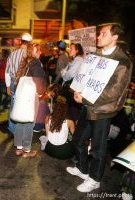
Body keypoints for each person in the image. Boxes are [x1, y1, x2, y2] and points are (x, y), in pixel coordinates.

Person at [66, 23, 133, 193]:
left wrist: (85, 98)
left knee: (98, 148)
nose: (98, 37)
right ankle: (82, 169)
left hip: (103, 110)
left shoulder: (123, 62)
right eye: (99, 34)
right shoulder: (95, 55)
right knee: (78, 139)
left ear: (114, 37)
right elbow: (86, 76)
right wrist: (77, 89)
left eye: (103, 34)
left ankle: (95, 179)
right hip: (87, 106)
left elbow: (113, 92)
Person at [13, 43, 47, 158]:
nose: (40, 53)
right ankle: (27, 151)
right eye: (38, 51)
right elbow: (38, 80)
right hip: (30, 97)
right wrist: (41, 92)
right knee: (29, 122)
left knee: (20, 122)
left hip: (21, 97)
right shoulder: (35, 63)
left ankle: (18, 148)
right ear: (33, 52)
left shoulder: (25, 63)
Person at [5, 33, 33, 135]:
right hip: (25, 83)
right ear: (29, 43)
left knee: (13, 105)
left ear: (21, 41)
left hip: (13, 82)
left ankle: (12, 129)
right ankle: (21, 130)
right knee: (24, 105)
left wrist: (7, 86)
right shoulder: (30, 55)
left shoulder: (12, 54)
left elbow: (7, 71)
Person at [41, 95, 75, 160]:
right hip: (63, 153)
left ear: (54, 108)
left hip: (49, 150)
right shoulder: (69, 122)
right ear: (66, 110)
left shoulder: (47, 118)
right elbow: (75, 137)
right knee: (73, 141)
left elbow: (47, 134)